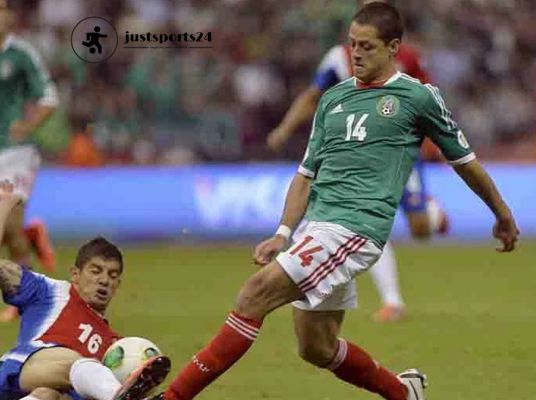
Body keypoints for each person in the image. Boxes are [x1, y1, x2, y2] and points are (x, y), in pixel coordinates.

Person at [129, 3, 519, 400]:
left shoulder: (418, 97)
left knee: (254, 294)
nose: (356, 53)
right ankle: (404, 393)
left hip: (356, 227)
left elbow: (464, 161)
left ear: (393, 48)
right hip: (317, 226)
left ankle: (171, 398)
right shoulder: (333, 99)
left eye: (367, 46)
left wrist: (502, 213)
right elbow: (305, 175)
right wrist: (283, 232)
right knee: (316, 347)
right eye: (352, 44)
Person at [267, 0, 448, 323]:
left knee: (420, 228)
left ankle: (433, 215)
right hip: (358, 157)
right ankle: (393, 301)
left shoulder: (406, 56)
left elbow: (426, 96)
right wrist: (285, 127)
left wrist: (436, 138)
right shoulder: (338, 58)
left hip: (400, 152)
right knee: (370, 223)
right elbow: (312, 96)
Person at [0, 181, 171, 400]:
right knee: (75, 362)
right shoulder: (48, 291)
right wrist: (5, 204)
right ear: (75, 275)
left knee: (50, 394)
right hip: (22, 372)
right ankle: (116, 396)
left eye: (112, 275)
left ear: (117, 285)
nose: (104, 280)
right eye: (96, 271)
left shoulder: (116, 348)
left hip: (46, 392)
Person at [0, 0, 59, 322]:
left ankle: (23, 300)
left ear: (10, 16)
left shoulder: (22, 54)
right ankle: (32, 237)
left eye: (0, 10)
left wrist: (27, 125)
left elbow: (49, 98)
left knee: (8, 221)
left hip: (14, 151)